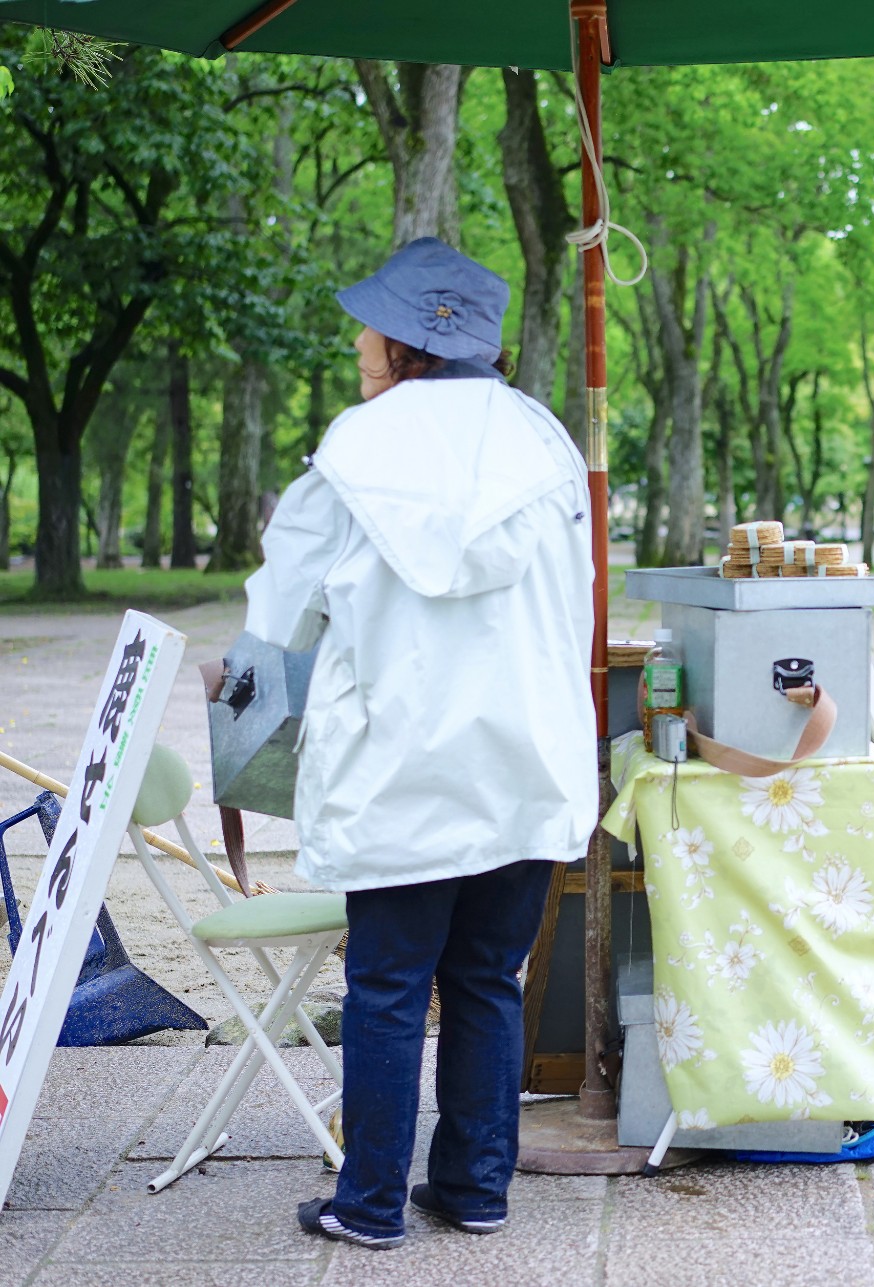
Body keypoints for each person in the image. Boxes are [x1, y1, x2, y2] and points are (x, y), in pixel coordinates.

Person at [244, 238, 596, 1248]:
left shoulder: (356, 447)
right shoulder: (543, 442)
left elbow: (281, 613)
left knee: (388, 987)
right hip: (523, 758)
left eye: (369, 324)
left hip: (396, 762)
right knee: (487, 978)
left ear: (408, 346)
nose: (356, 339)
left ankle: (367, 1206)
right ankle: (477, 1189)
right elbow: (572, 600)